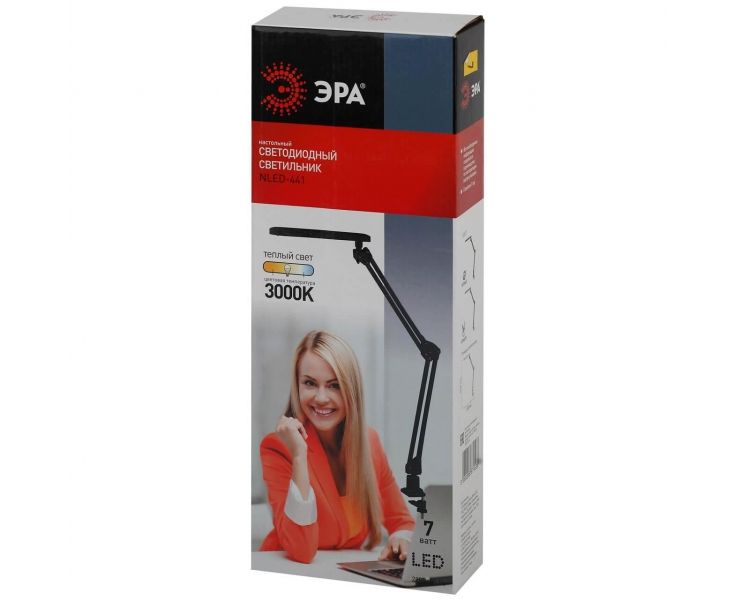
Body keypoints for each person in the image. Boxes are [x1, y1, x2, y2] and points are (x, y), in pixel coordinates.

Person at [259, 330, 416, 564]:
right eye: (310, 383)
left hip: (341, 572)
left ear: (351, 390)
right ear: (297, 385)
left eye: (334, 385)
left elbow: (402, 521)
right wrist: (299, 456)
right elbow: (302, 551)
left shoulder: (370, 442)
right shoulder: (278, 447)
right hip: (290, 570)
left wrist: (401, 539)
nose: (321, 398)